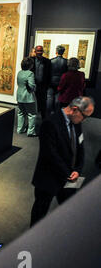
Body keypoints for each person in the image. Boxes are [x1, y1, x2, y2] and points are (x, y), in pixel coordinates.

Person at [30, 96, 95, 226]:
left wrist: (77, 170)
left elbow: (80, 147)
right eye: (85, 116)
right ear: (75, 109)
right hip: (49, 178)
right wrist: (68, 173)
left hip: (70, 177)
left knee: (68, 212)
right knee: (39, 213)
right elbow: (50, 154)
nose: (85, 120)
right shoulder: (50, 123)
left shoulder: (76, 123)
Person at [16, 57, 38, 137]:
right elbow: (31, 86)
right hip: (28, 96)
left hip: (19, 95)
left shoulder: (19, 73)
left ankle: (20, 129)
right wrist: (35, 88)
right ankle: (31, 132)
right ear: (30, 65)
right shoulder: (30, 73)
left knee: (21, 113)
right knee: (32, 114)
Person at [47, 45, 68, 115]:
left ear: (56, 51)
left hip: (51, 81)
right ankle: (56, 113)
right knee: (57, 98)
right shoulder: (66, 62)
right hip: (61, 82)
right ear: (63, 52)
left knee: (49, 97)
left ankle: (48, 113)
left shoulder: (51, 61)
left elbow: (48, 72)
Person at [32, 45, 51, 119]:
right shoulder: (31, 60)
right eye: (38, 51)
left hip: (43, 86)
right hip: (33, 86)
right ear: (35, 51)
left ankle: (43, 120)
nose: (39, 52)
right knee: (33, 103)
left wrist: (47, 85)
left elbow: (49, 74)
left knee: (43, 103)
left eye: (41, 51)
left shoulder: (47, 61)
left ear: (43, 52)